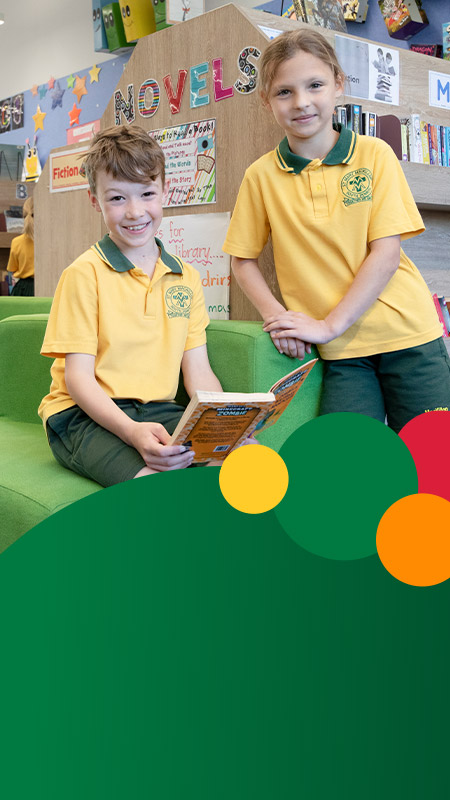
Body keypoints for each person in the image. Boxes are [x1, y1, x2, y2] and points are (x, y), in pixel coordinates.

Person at [222, 28, 450, 433]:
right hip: (341, 352)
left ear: (339, 85)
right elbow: (242, 259)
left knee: (433, 457)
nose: (302, 102)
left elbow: (386, 253)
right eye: (284, 92)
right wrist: (278, 318)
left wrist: (328, 325)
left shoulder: (374, 154)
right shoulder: (260, 177)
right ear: (266, 102)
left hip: (408, 335)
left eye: (315, 85)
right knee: (347, 459)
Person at [38, 125, 226, 486]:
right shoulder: (83, 274)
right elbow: (78, 380)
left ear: (164, 191)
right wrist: (131, 432)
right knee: (154, 487)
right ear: (95, 201)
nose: (135, 211)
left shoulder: (186, 277)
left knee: (243, 460)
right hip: (81, 415)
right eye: (117, 199)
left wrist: (222, 426)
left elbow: (199, 373)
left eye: (146, 193)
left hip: (159, 410)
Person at [7, 196, 35, 296]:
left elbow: (12, 269)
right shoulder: (50, 242)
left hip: (22, 290)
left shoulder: (16, 242)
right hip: (47, 286)